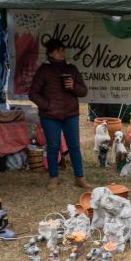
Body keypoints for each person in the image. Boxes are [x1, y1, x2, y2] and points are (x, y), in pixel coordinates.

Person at [28, 38, 91, 191]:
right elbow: (33, 93)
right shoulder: (44, 70)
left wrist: (73, 86)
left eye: (63, 50)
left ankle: (79, 178)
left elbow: (83, 91)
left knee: (74, 146)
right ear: (51, 53)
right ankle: (53, 178)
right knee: (53, 146)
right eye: (59, 50)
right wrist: (47, 106)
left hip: (70, 114)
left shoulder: (72, 69)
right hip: (50, 117)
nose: (62, 53)